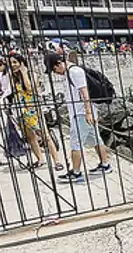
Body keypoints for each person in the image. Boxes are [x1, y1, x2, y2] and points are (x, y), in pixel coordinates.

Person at [44, 52, 110, 183]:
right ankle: (105, 164)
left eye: (54, 69)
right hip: (81, 112)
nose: (55, 72)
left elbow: (85, 93)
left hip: (82, 113)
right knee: (95, 139)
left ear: (58, 64)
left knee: (76, 142)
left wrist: (88, 112)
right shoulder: (70, 72)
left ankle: (76, 172)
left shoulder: (74, 72)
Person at [9, 54, 61, 170]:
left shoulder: (31, 74)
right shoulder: (13, 77)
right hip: (22, 110)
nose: (12, 65)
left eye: (15, 62)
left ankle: (56, 161)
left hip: (33, 109)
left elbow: (29, 88)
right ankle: (40, 159)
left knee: (45, 136)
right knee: (30, 137)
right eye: (11, 63)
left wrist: (23, 72)